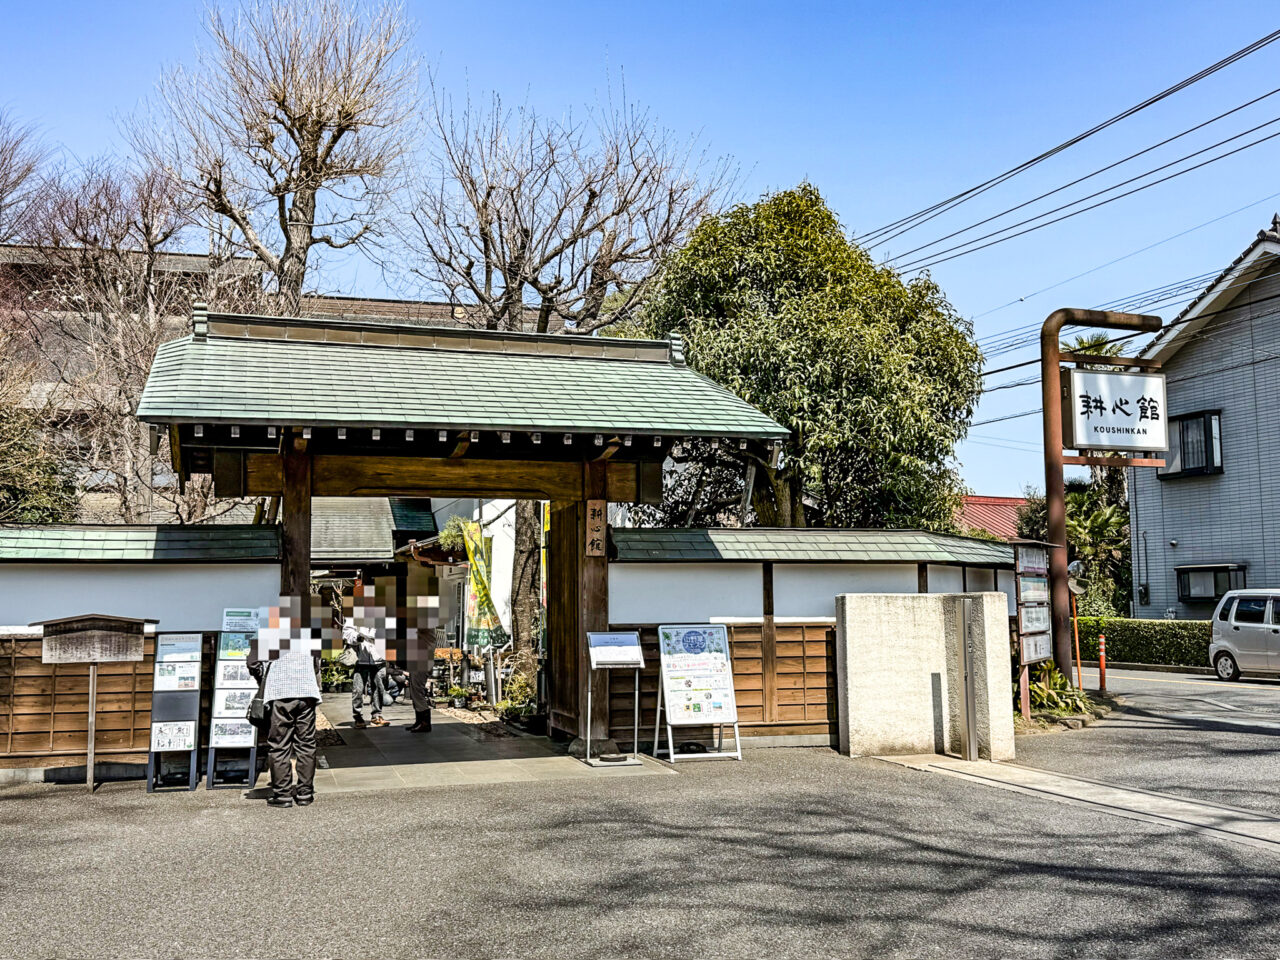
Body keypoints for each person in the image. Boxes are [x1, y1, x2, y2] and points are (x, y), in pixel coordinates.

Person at [248, 649, 321, 809]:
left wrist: (263, 676)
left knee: (279, 745)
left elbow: (252, 663)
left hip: (279, 691)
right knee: (306, 744)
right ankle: (305, 793)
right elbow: (316, 662)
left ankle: (282, 795)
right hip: (306, 691)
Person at [345, 626, 388, 728]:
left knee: (379, 688)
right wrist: (358, 637)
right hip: (360, 659)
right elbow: (347, 633)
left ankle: (376, 715)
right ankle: (357, 716)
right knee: (358, 690)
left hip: (379, 658)